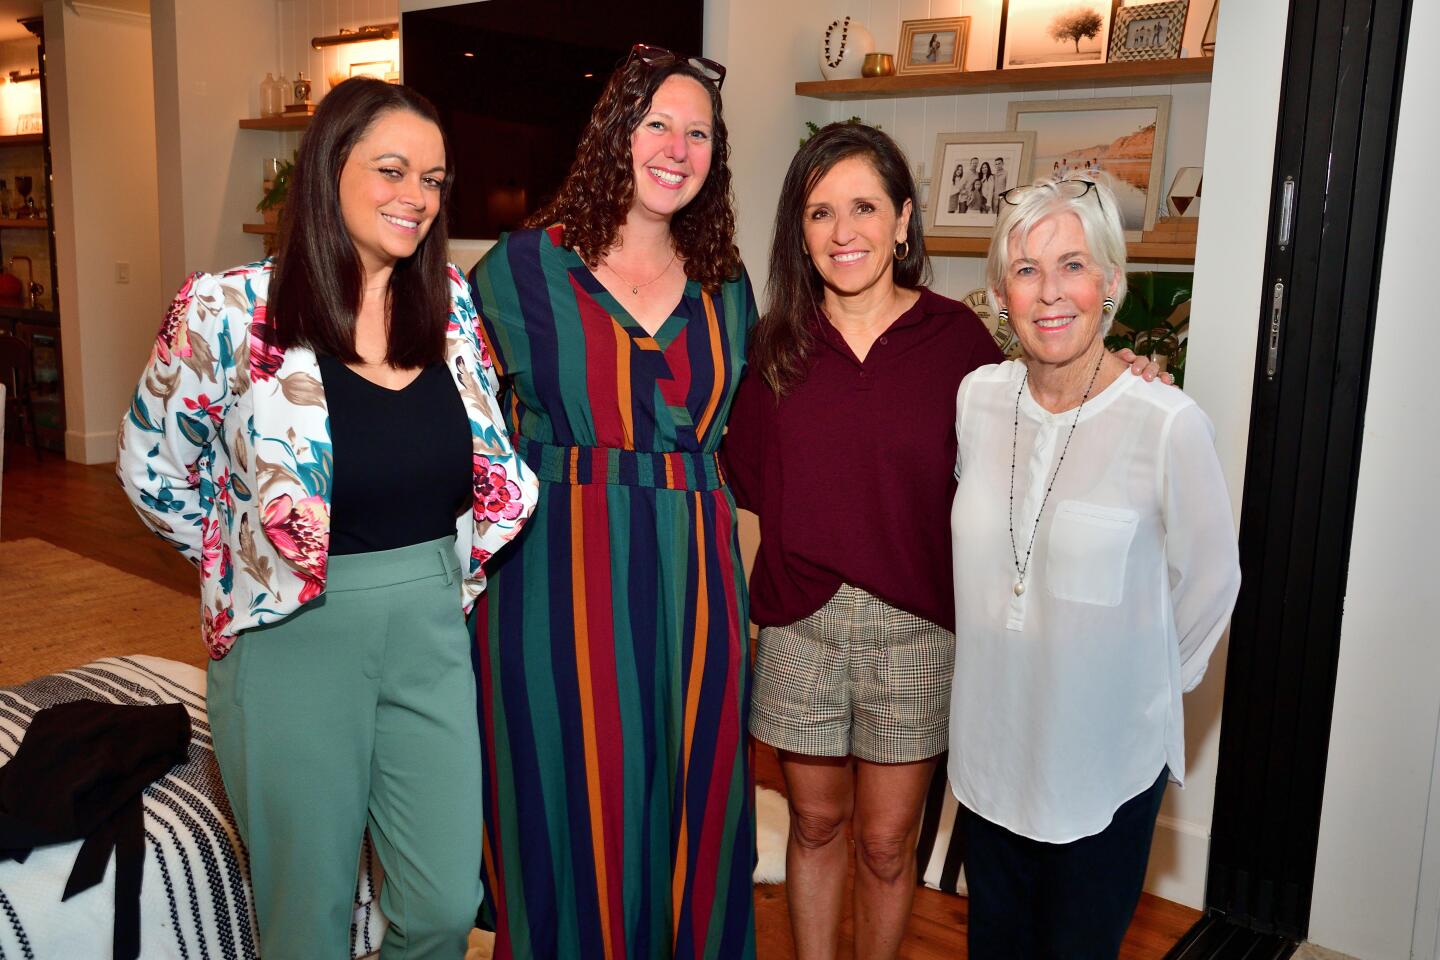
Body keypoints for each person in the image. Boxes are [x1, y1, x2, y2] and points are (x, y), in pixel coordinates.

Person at [117, 78, 536, 959]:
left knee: (441, 903)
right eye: (392, 169)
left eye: (433, 180)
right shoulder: (227, 310)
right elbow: (154, 467)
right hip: (291, 637)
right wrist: (251, 557)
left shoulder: (449, 303)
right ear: (329, 167)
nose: (415, 197)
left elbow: (490, 459)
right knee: (306, 923)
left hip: (429, 626)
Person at [467, 45, 756, 959]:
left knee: (687, 801)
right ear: (615, 135)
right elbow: (455, 428)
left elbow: (760, 438)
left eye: (698, 132)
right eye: (657, 124)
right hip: (553, 580)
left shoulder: (727, 289)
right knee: (563, 796)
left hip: (693, 593)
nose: (677, 147)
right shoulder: (516, 273)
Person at [721, 122, 1001, 960]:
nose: (844, 233)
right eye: (819, 214)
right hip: (800, 626)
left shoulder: (961, 346)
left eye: (865, 208)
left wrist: (1126, 373)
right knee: (812, 824)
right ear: (799, 233)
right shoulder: (773, 346)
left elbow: (1032, 445)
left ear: (904, 220)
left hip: (916, 629)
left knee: (886, 845)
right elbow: (745, 500)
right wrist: (748, 623)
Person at [947, 174, 1241, 958]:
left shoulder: (1165, 423)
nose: (1051, 293)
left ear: (1111, 281)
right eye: (1026, 269)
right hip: (991, 752)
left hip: (1101, 770)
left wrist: (1136, 690)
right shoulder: (976, 398)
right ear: (999, 292)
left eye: (1073, 265)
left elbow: (1213, 582)